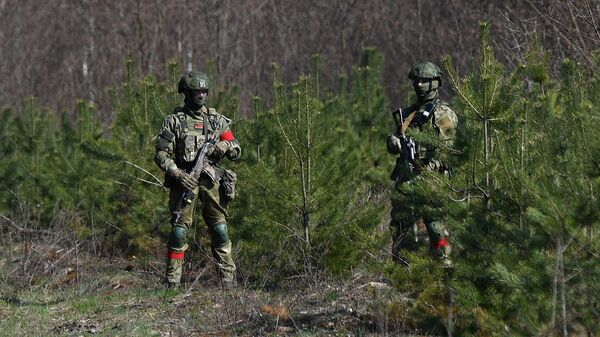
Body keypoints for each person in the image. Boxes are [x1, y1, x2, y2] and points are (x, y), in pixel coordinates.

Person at [154, 70, 241, 287]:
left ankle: (229, 284)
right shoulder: (174, 121)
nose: (201, 95)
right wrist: (178, 174)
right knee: (179, 232)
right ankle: (172, 284)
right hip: (184, 181)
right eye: (197, 91)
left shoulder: (216, 120)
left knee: (220, 229)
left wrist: (226, 145)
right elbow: (161, 154)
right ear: (187, 92)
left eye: (204, 91)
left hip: (211, 182)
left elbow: (237, 148)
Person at [386, 61, 458, 267]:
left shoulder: (443, 114)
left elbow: (446, 149)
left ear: (436, 83)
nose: (419, 85)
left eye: (425, 81)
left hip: (432, 180)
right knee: (400, 227)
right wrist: (394, 142)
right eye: (416, 81)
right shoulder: (408, 115)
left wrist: (429, 170)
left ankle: (444, 268)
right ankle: (402, 271)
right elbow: (396, 141)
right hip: (407, 179)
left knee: (437, 227)